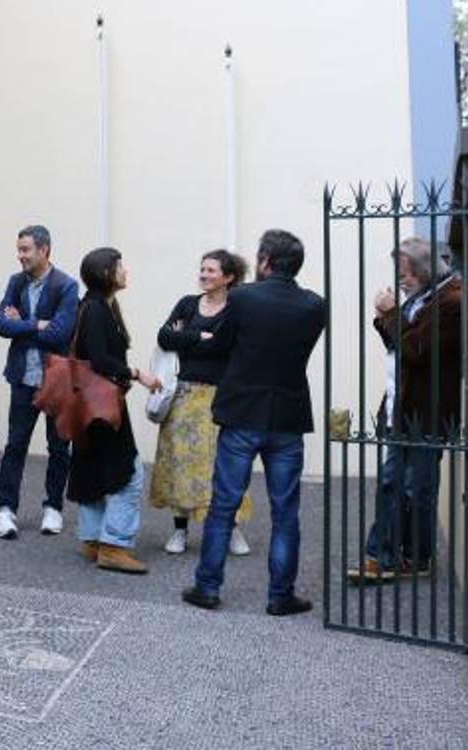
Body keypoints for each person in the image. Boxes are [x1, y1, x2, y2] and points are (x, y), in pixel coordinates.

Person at [183, 229, 326, 615]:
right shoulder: (315, 305)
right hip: (288, 416)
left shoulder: (243, 298)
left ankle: (207, 587)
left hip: (242, 412)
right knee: (286, 511)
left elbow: (221, 343)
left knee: (224, 504)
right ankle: (281, 595)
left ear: (264, 261)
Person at [347, 238, 462, 582]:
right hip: (402, 408)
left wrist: (389, 313)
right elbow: (400, 347)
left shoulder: (452, 300)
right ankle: (384, 556)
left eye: (405, 274)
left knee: (417, 489)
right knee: (393, 483)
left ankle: (411, 557)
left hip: (427, 412)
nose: (401, 281)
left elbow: (419, 350)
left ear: (425, 270)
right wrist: (391, 317)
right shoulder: (424, 298)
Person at [149, 249, 255, 556]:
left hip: (220, 398)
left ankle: (232, 528)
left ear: (229, 277)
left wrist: (191, 337)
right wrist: (201, 338)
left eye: (211, 270)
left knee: (222, 465)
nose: (204, 275)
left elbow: (227, 347)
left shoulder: (237, 308)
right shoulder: (186, 304)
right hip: (183, 395)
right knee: (179, 462)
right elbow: (165, 337)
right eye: (203, 269)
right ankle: (179, 531)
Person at [67, 247, 163, 575]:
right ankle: (114, 545)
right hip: (101, 408)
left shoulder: (99, 306)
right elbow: (98, 359)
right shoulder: (95, 309)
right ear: (107, 272)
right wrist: (137, 374)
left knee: (94, 468)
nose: (125, 271)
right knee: (130, 474)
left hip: (90, 405)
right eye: (120, 265)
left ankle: (93, 540)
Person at [0, 224, 79, 539]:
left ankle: (53, 508)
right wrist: (38, 324)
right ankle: (5, 509)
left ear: (44, 250)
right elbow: (1, 324)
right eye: (19, 250)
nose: (20, 256)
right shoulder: (16, 283)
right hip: (22, 378)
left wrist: (23, 324)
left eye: (26, 250)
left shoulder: (66, 286)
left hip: (56, 380)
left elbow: (60, 333)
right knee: (15, 444)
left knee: (58, 447)